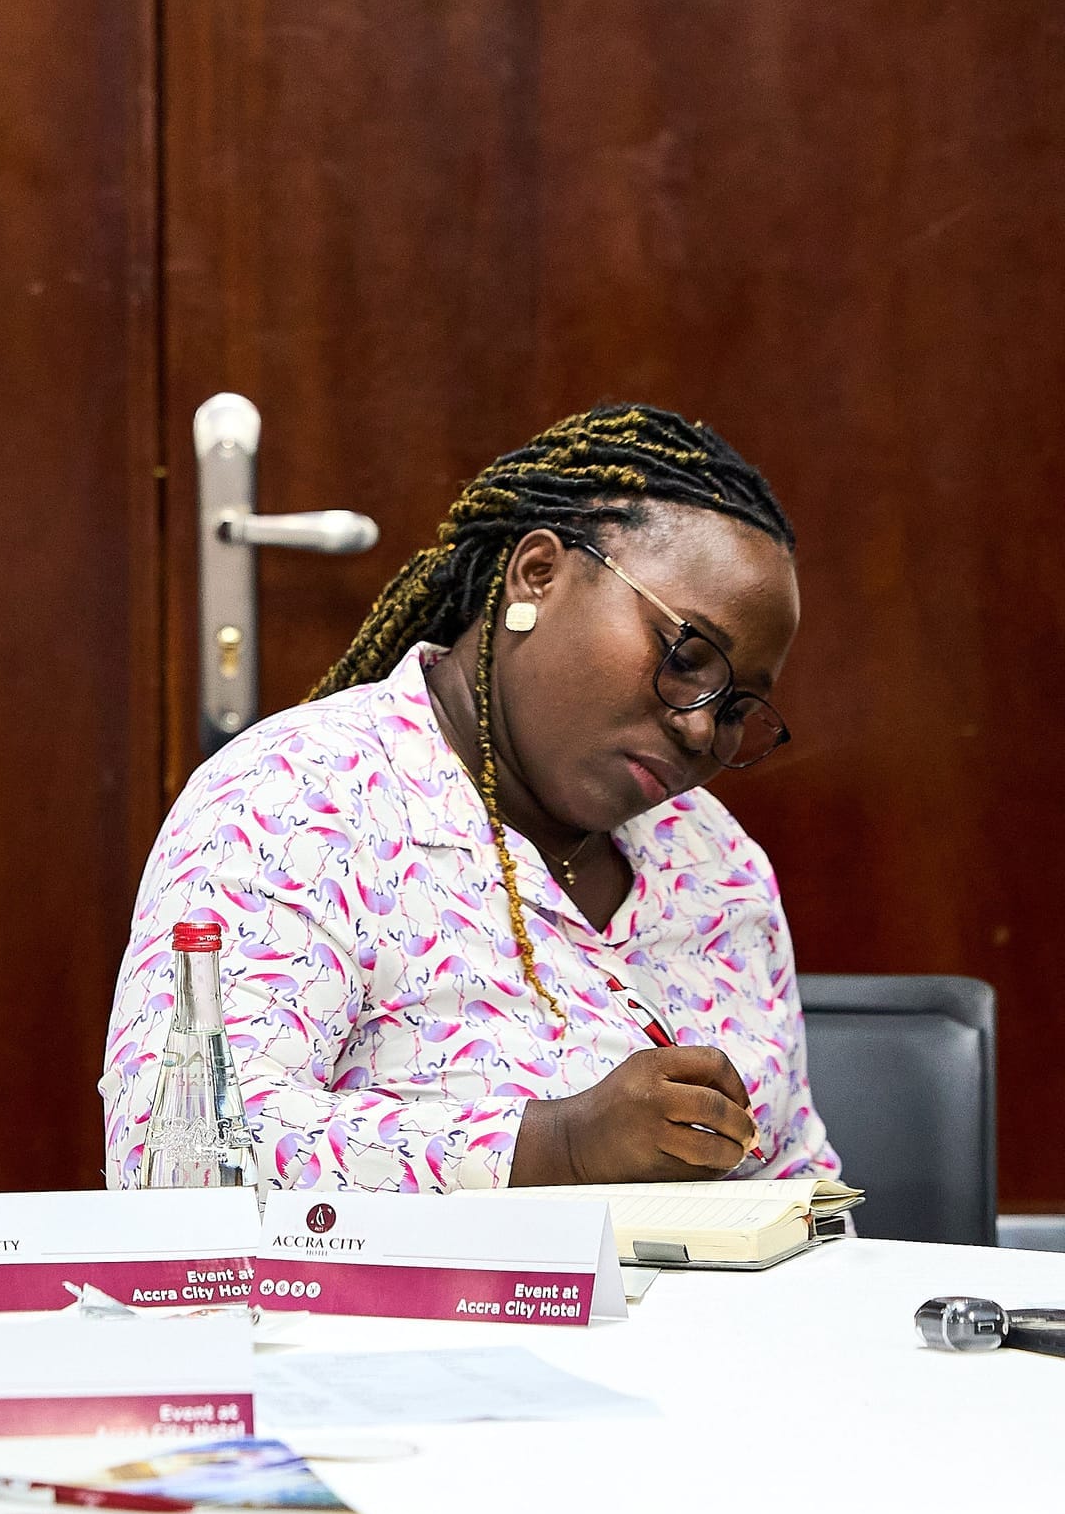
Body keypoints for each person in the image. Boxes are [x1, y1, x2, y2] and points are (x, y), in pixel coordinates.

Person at [103, 404, 838, 1192]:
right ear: (537, 574)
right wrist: (558, 1147)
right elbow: (170, 1160)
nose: (700, 731)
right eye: (686, 656)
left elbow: (800, 1181)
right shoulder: (294, 801)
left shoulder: (714, 858)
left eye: (735, 711)